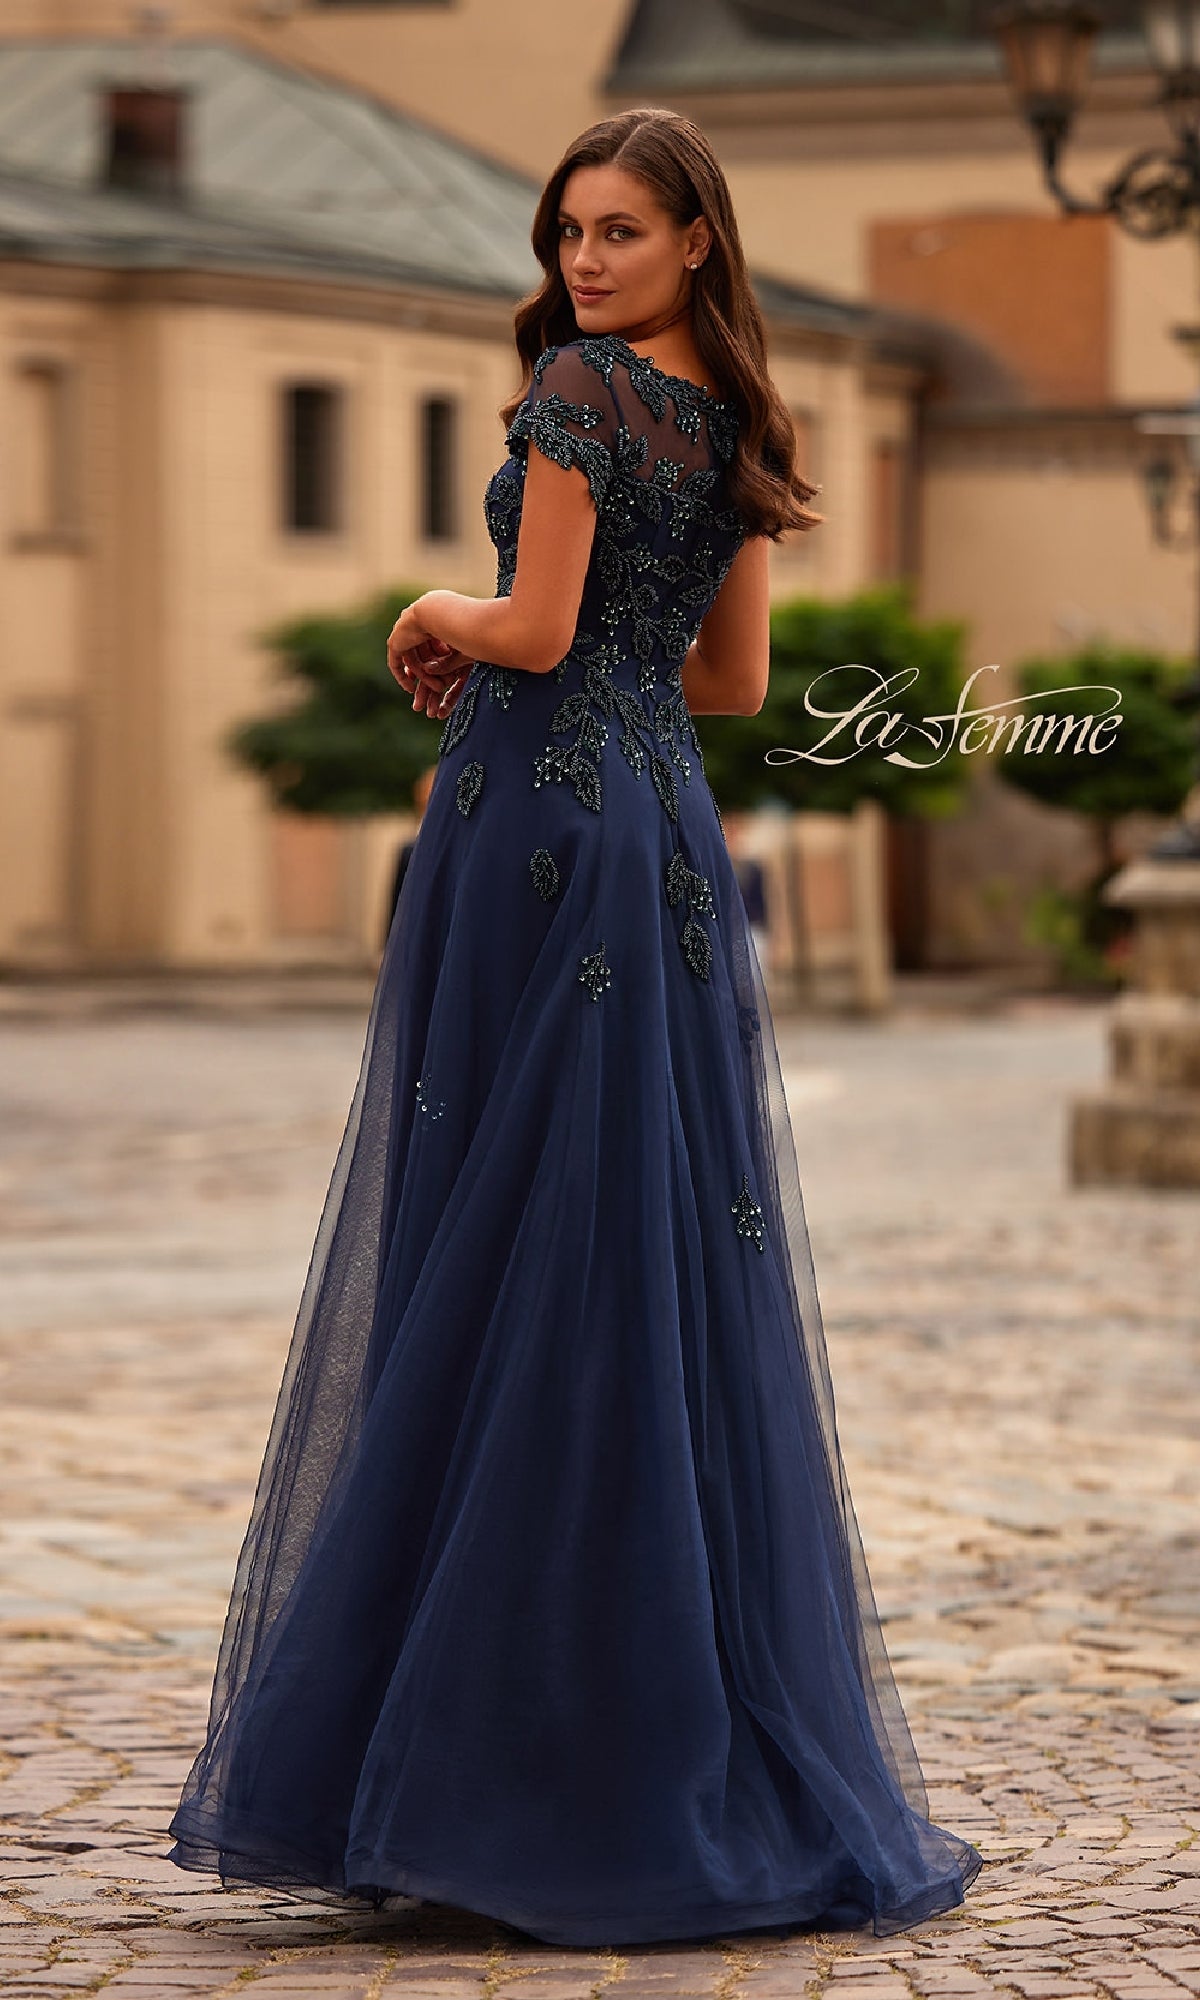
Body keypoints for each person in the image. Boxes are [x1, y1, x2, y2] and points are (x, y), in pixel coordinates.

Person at [166, 106, 983, 1947]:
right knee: (637, 1251)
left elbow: (532, 626)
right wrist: (561, 632)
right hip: (666, 835)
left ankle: (484, 1760)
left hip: (534, 823)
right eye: (568, 235)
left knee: (498, 1239)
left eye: (618, 231)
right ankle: (631, 1732)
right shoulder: (748, 420)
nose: (583, 265)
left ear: (699, 236)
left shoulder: (582, 397)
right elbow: (734, 680)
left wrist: (431, 606)